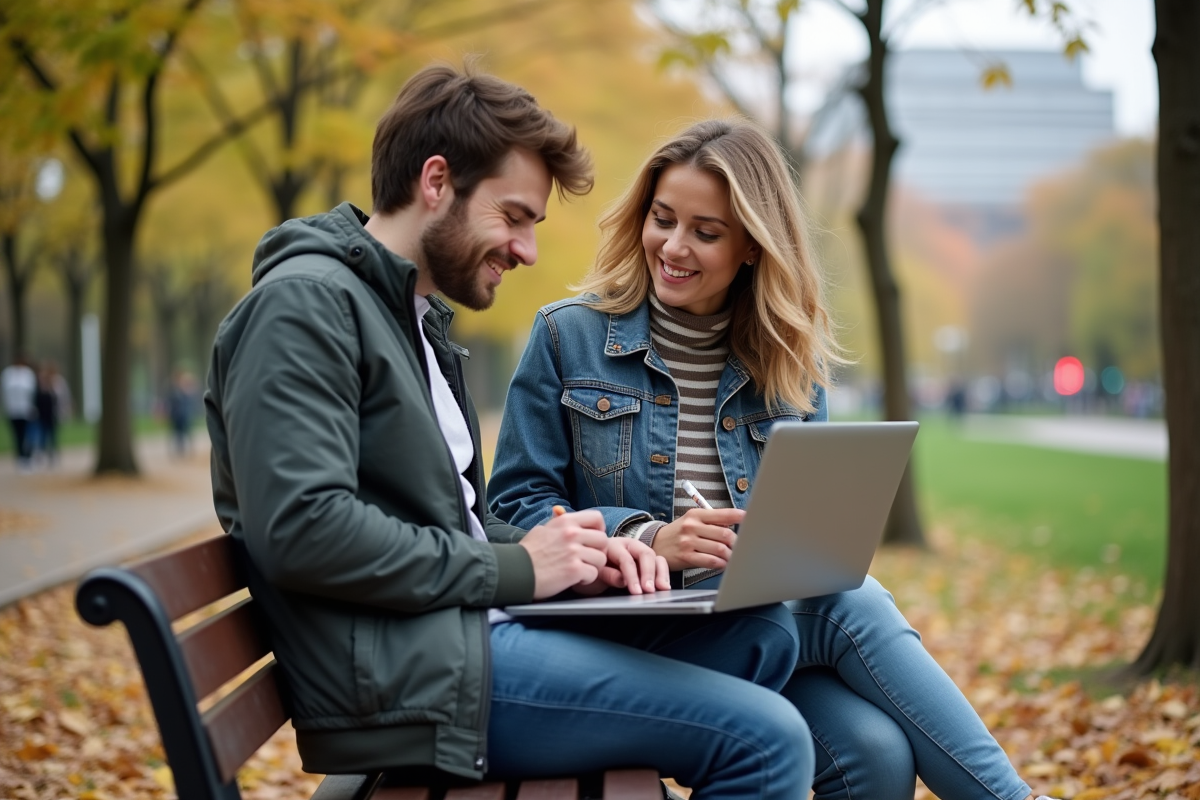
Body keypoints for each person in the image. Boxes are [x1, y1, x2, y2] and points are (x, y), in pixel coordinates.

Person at [204, 65, 814, 799]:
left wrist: (593, 552)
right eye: (515, 216)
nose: (527, 251)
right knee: (768, 741)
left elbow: (448, 522)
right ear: (437, 182)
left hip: (460, 642)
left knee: (764, 635)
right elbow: (303, 529)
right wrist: (523, 568)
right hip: (411, 678)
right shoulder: (304, 308)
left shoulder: (406, 319)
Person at [489, 118, 1058, 800]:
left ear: (752, 247)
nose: (673, 246)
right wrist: (647, 537)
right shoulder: (567, 335)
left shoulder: (792, 364)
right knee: (850, 602)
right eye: (663, 219)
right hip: (620, 626)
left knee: (873, 754)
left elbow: (807, 540)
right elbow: (512, 509)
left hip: (751, 623)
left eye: (706, 231)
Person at [2, 355, 37, 472]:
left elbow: (32, 392)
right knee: (17, 435)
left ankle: (27, 456)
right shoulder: (8, 374)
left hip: (26, 410)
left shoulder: (28, 374)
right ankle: (20, 457)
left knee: (27, 434)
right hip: (13, 410)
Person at [33, 362, 63, 467]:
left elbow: (60, 400)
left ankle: (52, 456)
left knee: (53, 436)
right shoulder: (39, 388)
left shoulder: (56, 386)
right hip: (42, 416)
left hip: (52, 416)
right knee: (42, 436)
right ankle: (40, 455)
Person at [166, 370, 197, 457]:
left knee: (186, 433)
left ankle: (187, 450)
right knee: (177, 434)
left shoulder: (184, 390)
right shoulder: (172, 390)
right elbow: (171, 403)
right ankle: (179, 451)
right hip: (176, 416)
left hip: (184, 415)